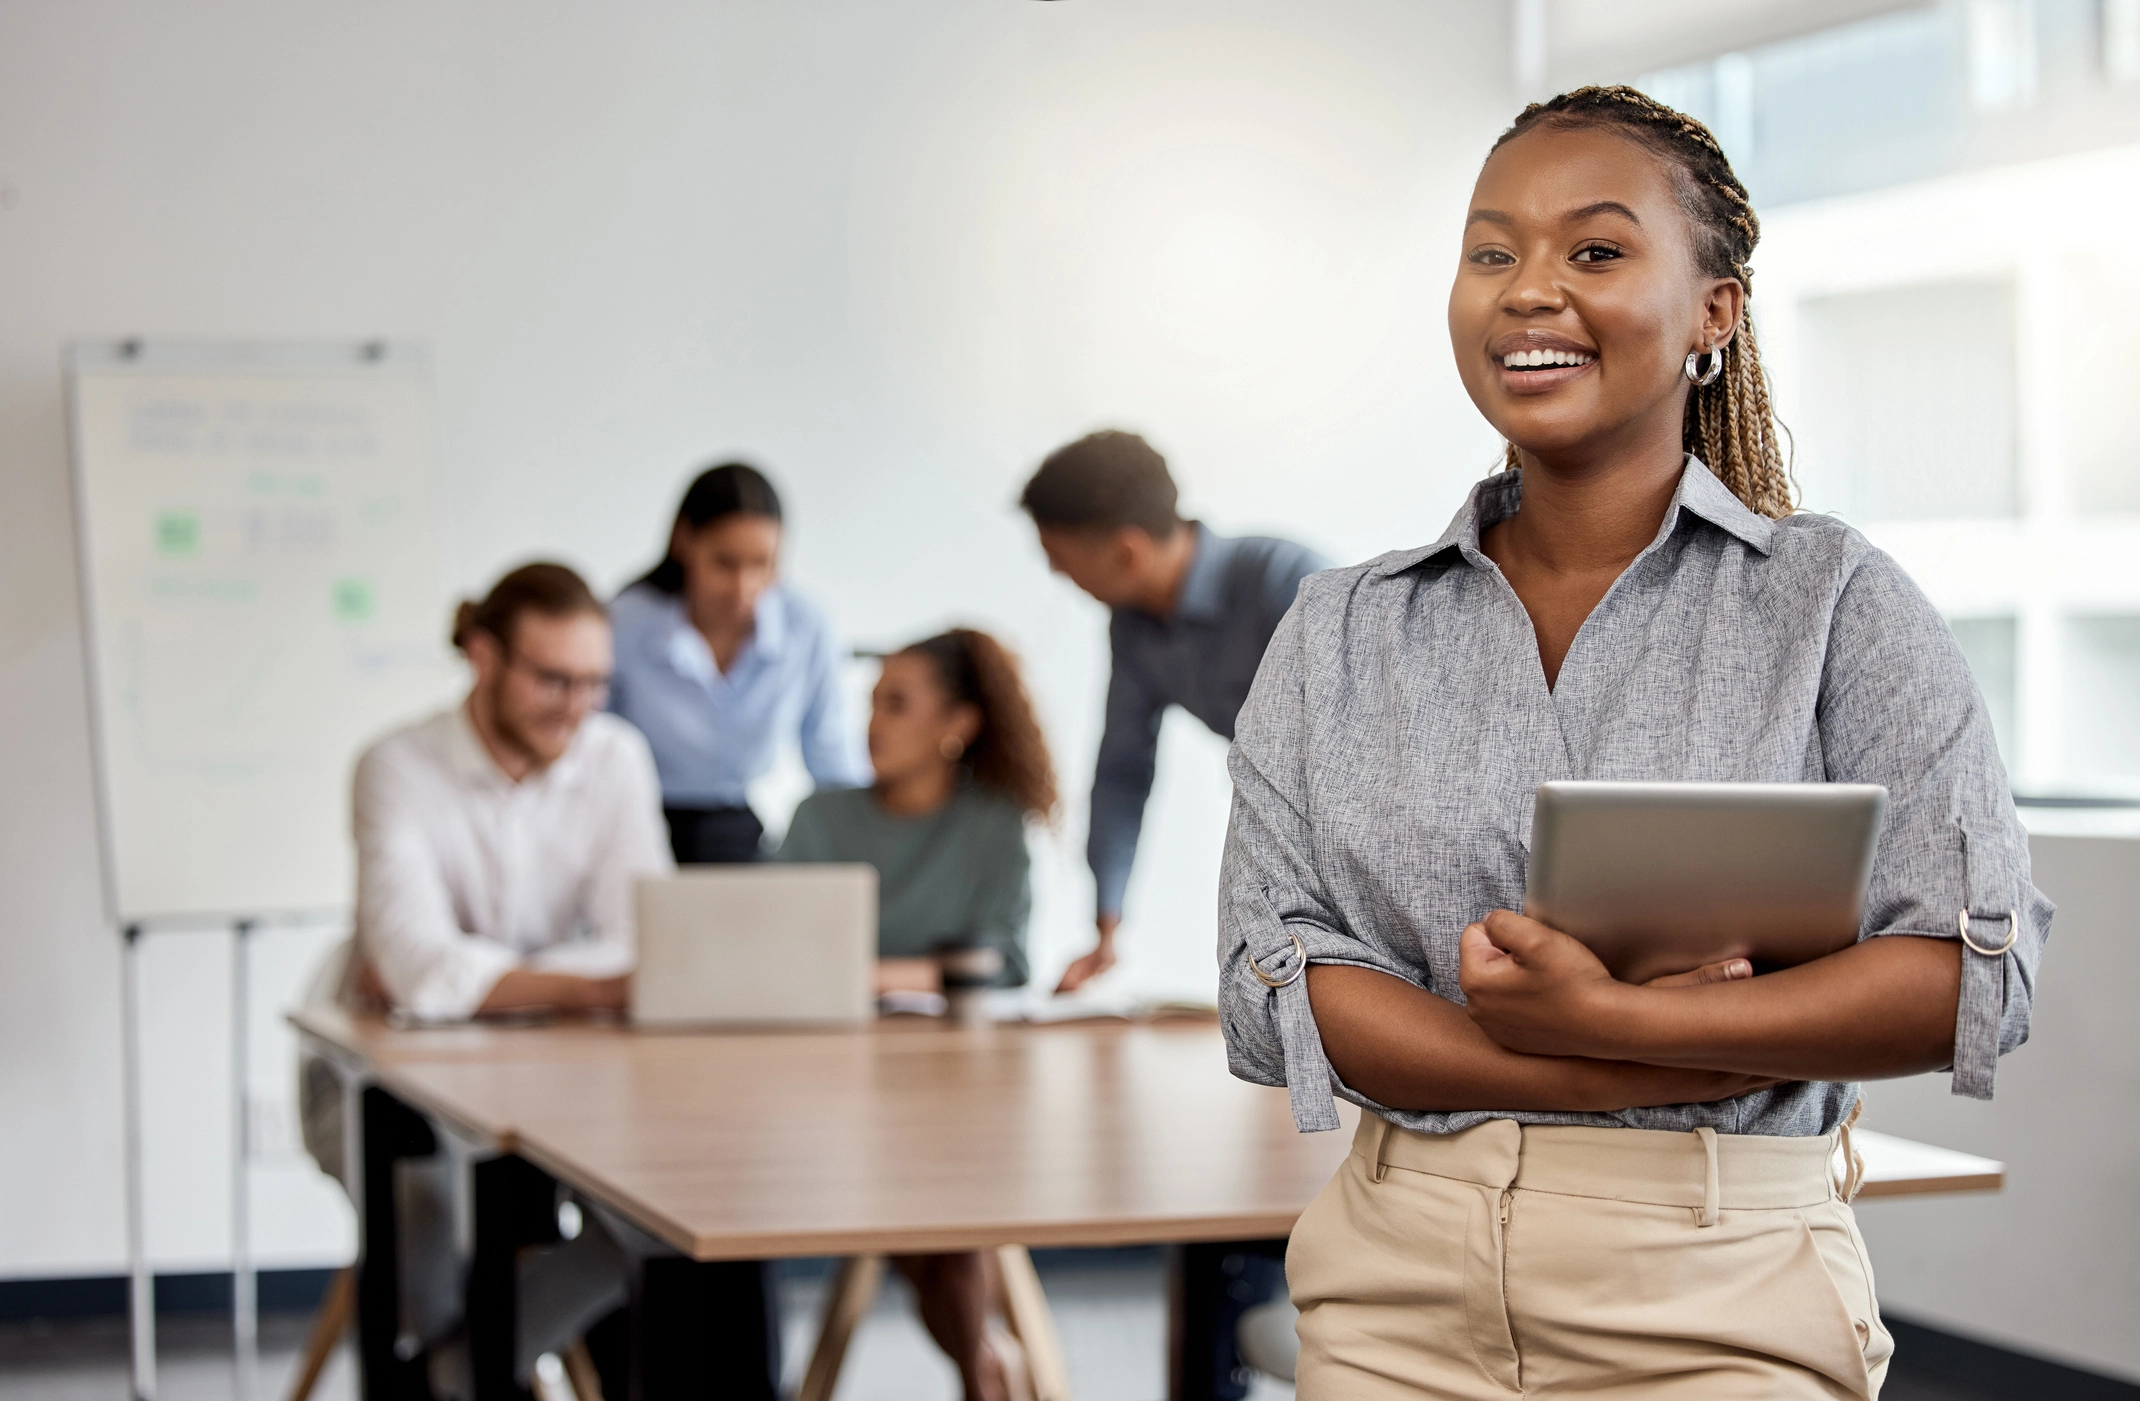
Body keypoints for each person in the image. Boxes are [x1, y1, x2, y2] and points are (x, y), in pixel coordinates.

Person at [1219, 87, 2051, 1399]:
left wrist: (1593, 1018)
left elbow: (1970, 974)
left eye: (1593, 252)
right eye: (1492, 252)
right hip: (1395, 1288)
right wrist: (1611, 1053)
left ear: (1714, 314)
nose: (1527, 290)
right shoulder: (1339, 628)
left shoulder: (1834, 603)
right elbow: (1279, 986)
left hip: (1721, 1284)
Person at [781, 628, 1056, 1401]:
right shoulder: (818, 819)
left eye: (896, 704)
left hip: (959, 1089)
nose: (874, 724)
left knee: (946, 1203)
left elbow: (1005, 961)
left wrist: (860, 971)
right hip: (831, 1090)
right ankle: (983, 1368)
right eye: (871, 703)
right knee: (937, 1209)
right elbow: (770, 949)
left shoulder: (994, 825)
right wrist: (924, 969)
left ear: (955, 725)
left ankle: (980, 1368)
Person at [1018, 430, 1328, 994]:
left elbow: (1366, 743)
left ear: (1126, 552)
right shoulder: (1133, 627)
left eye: (1061, 560)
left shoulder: (1286, 580)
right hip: (1279, 841)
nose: (1059, 576)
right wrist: (1108, 919)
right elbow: (1122, 771)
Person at [352, 562, 669, 1018]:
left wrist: (479, 983)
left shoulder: (617, 758)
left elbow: (644, 944)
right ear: (482, 657)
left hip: (561, 1043)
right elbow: (417, 964)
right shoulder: (396, 768)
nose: (576, 709)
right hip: (403, 1055)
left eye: (595, 684)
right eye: (554, 681)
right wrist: (594, 990)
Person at [608, 461, 870, 864]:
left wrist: (865, 848)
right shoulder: (624, 622)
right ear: (684, 542)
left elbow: (831, 754)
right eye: (724, 563)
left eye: (762, 564)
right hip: (636, 825)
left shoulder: (806, 625)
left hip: (739, 831)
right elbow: (591, 747)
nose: (743, 588)